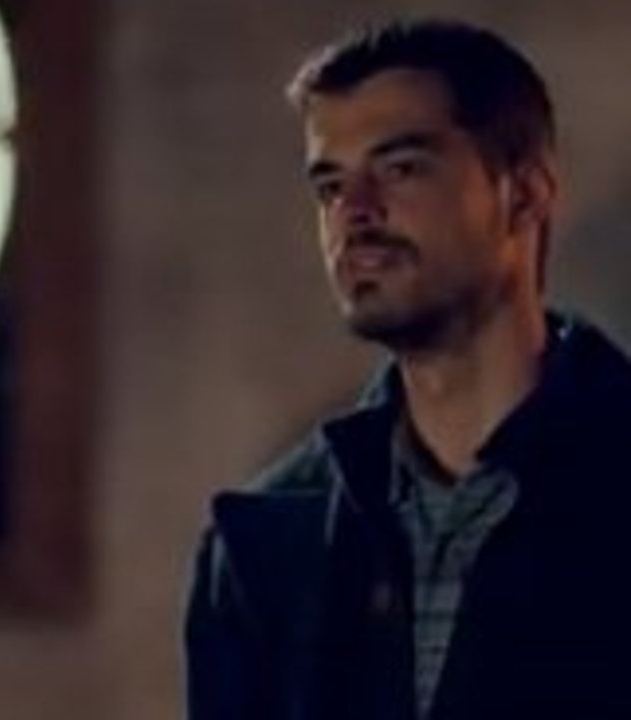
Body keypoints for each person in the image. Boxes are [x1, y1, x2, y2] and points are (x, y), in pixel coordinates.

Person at [185, 18, 631, 720]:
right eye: (331, 187)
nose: (355, 214)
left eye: (401, 169)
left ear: (525, 194)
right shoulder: (268, 543)